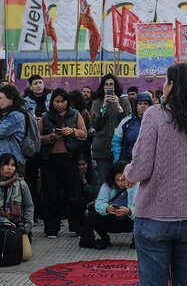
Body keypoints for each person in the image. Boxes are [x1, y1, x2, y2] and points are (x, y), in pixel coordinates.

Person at [124, 62, 187, 286]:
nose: (165, 86)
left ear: (172, 85)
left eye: (167, 81)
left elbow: (141, 167)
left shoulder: (155, 115)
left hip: (156, 216)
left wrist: (128, 174)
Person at [39, 87, 88, 238]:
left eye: (63, 101)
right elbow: (37, 138)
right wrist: (50, 138)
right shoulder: (45, 117)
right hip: (50, 160)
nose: (60, 104)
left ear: (67, 102)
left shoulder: (75, 114)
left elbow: (84, 134)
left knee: (74, 193)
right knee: (51, 194)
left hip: (70, 158)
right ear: (52, 102)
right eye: (57, 101)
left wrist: (72, 131)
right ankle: (51, 229)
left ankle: (77, 227)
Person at [0, 153, 35, 261]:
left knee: (26, 256)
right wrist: (3, 221)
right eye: (6, 164)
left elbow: (29, 207)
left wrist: (27, 225)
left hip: (16, 226)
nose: (10, 168)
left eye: (13, 165)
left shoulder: (21, 184)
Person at [79, 160, 136, 249]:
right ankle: (104, 239)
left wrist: (129, 211)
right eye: (117, 180)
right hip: (112, 219)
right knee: (93, 214)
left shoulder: (137, 186)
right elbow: (99, 204)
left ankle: (136, 241)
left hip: (130, 221)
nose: (120, 183)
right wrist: (107, 208)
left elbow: (144, 210)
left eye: (123, 180)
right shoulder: (107, 186)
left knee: (144, 218)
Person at [90, 74, 131, 182]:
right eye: (106, 85)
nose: (109, 87)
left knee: (121, 181)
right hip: (102, 148)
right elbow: (95, 124)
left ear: (115, 87)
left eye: (111, 85)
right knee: (103, 181)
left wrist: (118, 106)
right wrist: (104, 106)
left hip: (120, 148)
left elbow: (129, 123)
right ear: (102, 87)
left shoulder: (124, 102)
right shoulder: (97, 103)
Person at [0, 84, 29, 170]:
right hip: (4, 161)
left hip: (13, 163)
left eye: (0, 98)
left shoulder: (15, 116)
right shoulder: (8, 114)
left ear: (10, 99)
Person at [111, 91, 152, 162]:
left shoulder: (155, 121)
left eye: (146, 104)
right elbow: (116, 141)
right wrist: (118, 161)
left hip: (149, 162)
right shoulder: (126, 121)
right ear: (135, 105)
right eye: (140, 103)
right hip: (129, 161)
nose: (143, 106)